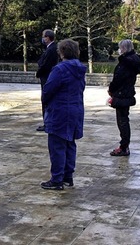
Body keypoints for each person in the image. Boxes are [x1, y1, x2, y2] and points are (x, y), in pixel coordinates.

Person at [40, 39, 86, 190]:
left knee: (57, 145)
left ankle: (57, 179)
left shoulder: (59, 69)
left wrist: (46, 103)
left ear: (61, 52)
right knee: (70, 143)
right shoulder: (80, 69)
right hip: (75, 110)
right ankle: (68, 176)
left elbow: (48, 90)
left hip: (60, 111)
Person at [108, 39, 140, 156]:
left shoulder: (126, 62)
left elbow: (118, 79)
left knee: (122, 120)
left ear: (123, 48)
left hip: (121, 93)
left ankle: (124, 146)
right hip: (127, 92)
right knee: (124, 119)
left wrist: (111, 89)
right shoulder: (133, 61)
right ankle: (124, 145)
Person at [35, 29, 59, 132]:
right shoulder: (52, 48)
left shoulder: (51, 49)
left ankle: (47, 123)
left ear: (48, 38)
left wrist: (38, 73)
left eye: (43, 36)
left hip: (47, 78)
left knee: (46, 100)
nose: (43, 38)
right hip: (48, 77)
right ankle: (48, 122)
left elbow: (45, 65)